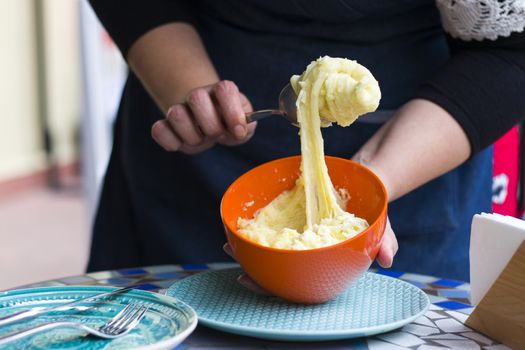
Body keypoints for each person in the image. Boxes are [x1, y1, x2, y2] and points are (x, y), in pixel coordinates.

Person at [87, 0, 525, 281]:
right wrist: (187, 86)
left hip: (416, 149)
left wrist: (369, 183)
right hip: (189, 161)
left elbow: (510, 52)